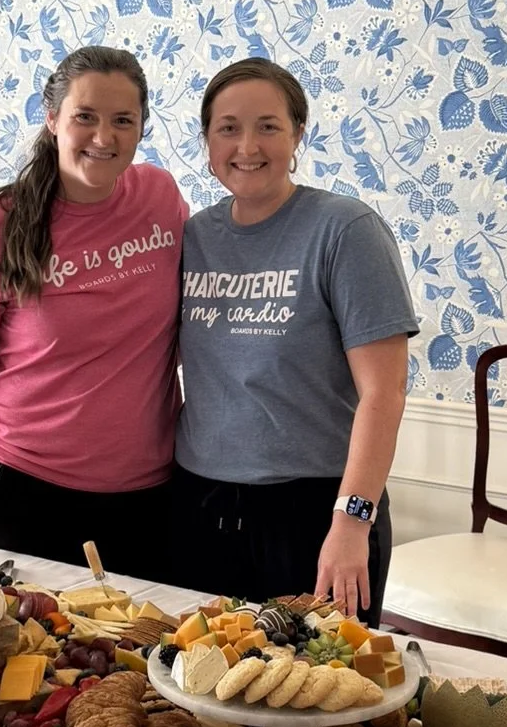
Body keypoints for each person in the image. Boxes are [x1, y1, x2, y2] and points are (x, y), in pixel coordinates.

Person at [174, 58, 418, 623]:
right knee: (199, 694)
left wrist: (352, 523)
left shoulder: (345, 230)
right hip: (198, 503)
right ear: (208, 141)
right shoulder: (191, 238)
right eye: (228, 128)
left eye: (268, 126)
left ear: (297, 134)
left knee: (320, 692)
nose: (247, 145)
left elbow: (386, 392)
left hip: (314, 509)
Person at [0, 44, 186, 577]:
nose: (104, 136)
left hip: (148, 496)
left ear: (142, 127)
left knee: (130, 655)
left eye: (123, 119)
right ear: (52, 120)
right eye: (85, 117)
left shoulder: (161, 197)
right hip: (23, 491)